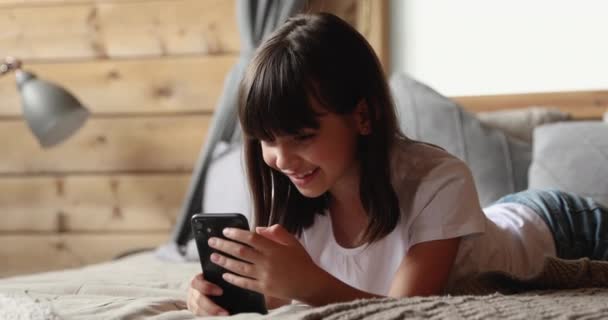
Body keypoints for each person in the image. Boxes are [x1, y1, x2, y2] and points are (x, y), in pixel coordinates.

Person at [187, 12, 608, 316]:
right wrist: (214, 297)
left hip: (564, 226)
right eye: (266, 140)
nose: (281, 159)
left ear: (364, 116)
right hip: (503, 220)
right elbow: (274, 296)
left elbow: (409, 311)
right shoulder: (299, 198)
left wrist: (307, 284)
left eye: (301, 136)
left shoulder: (439, 179)